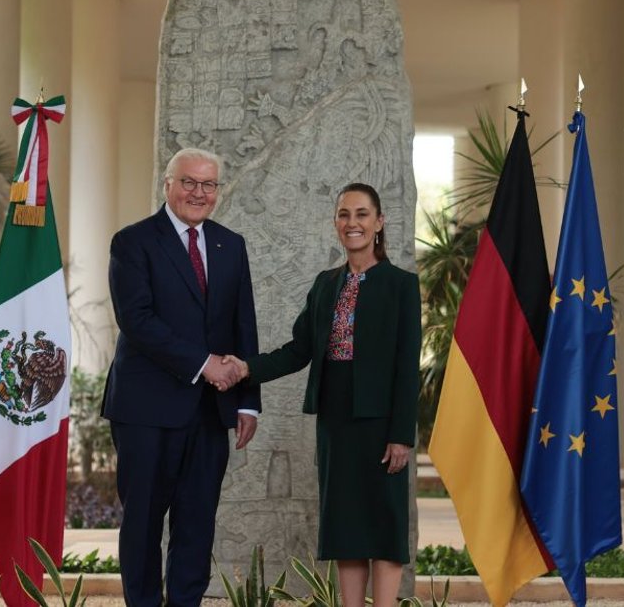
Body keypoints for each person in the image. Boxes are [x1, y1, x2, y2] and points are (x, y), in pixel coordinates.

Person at [224, 182, 420, 607]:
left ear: (379, 222)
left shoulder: (402, 285)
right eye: (344, 214)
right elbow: (299, 350)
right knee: (346, 527)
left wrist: (401, 433)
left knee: (385, 526)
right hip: (335, 421)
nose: (353, 223)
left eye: (362, 214)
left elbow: (408, 366)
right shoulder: (325, 284)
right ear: (335, 223)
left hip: (382, 423)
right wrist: (245, 367)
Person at [101, 148, 260, 607]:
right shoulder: (132, 242)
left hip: (210, 414)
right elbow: (137, 320)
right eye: (188, 182)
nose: (198, 193)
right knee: (144, 523)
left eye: (208, 185)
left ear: (218, 192)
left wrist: (248, 401)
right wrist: (204, 363)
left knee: (197, 524)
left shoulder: (231, 244)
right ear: (167, 184)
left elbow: (242, 324)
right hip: (145, 410)